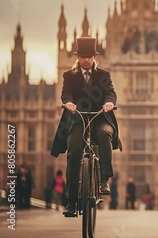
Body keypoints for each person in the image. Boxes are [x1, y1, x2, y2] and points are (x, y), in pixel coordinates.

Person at [51, 37, 122, 217]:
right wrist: (68, 103)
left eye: (89, 56)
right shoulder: (69, 76)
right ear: (77, 57)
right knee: (74, 151)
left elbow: (110, 92)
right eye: (83, 56)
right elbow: (66, 93)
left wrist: (108, 103)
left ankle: (104, 179)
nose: (86, 60)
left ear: (94, 57)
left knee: (106, 134)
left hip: (100, 118)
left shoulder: (103, 75)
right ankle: (72, 202)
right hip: (78, 119)